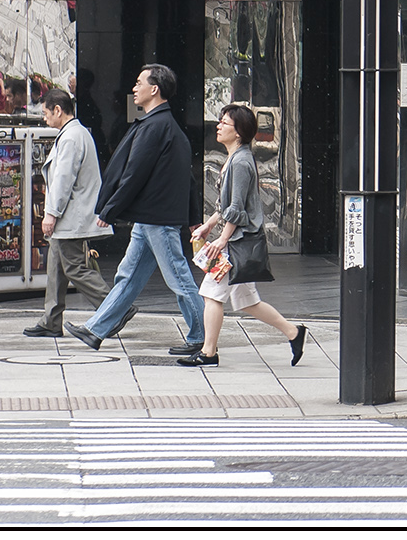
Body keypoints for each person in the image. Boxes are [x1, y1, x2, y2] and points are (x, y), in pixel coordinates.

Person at [64, 64, 207, 355]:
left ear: (154, 89)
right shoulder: (167, 125)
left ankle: (202, 338)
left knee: (179, 278)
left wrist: (110, 210)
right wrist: (193, 216)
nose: (134, 88)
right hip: (150, 219)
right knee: (127, 276)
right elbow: (187, 179)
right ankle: (96, 329)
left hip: (158, 219)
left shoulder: (155, 126)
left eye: (139, 83)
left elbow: (134, 173)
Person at [178, 104, 306, 367]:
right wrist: (207, 226)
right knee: (247, 300)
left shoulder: (240, 162)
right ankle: (294, 333)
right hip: (237, 240)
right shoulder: (235, 158)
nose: (218, 126)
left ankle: (208, 353)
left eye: (224, 123)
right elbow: (225, 207)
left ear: (238, 132)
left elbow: (236, 210)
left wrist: (221, 240)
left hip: (235, 242)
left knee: (211, 293)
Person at [23, 87, 113, 337]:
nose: (44, 118)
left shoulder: (71, 137)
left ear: (58, 110)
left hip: (70, 215)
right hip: (71, 214)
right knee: (56, 266)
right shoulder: (75, 133)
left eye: (46, 113)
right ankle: (51, 320)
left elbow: (63, 180)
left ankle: (114, 309)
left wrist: (50, 213)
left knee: (74, 267)